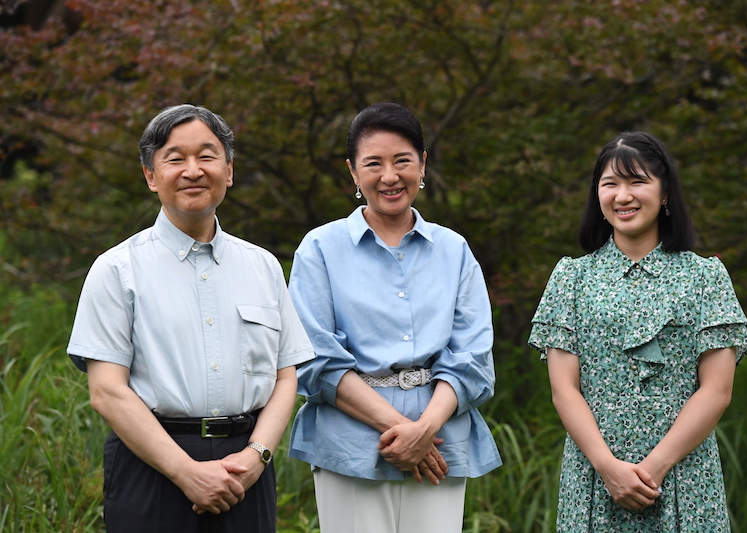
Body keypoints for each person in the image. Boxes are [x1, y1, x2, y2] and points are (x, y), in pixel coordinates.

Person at [67, 104, 315, 533]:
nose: (193, 170)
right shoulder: (116, 269)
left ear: (229, 170)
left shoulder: (264, 266)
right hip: (151, 466)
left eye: (207, 155)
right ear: (150, 176)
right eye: (175, 158)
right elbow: (107, 392)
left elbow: (285, 375)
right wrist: (186, 471)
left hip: (246, 468)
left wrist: (257, 456)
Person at [287, 102, 501, 533]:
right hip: (350, 442)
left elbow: (473, 355)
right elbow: (313, 358)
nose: (389, 176)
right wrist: (407, 433)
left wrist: (426, 430)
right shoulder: (320, 248)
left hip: (441, 441)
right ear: (353, 172)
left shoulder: (453, 249)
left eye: (402, 160)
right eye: (373, 164)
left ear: (422, 164)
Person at [528, 131, 747, 532]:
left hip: (686, 475)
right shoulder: (571, 277)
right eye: (610, 184)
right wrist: (608, 468)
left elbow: (717, 390)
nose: (623, 195)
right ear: (597, 196)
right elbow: (564, 389)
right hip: (594, 476)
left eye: (638, 181)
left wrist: (653, 468)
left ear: (665, 193)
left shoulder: (705, 276)